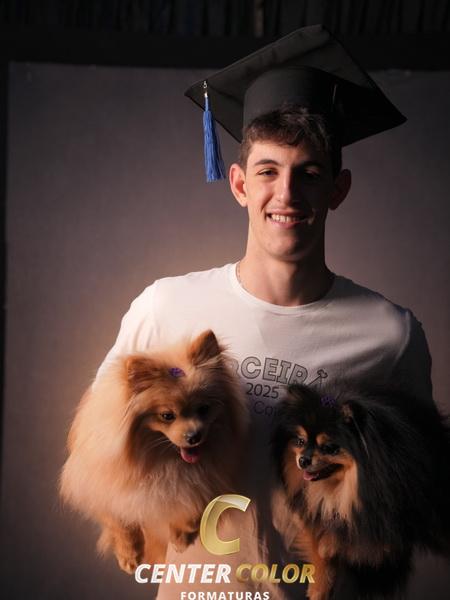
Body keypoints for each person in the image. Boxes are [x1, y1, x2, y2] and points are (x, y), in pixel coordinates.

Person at [96, 25, 432, 599]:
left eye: (310, 174)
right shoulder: (166, 306)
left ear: (338, 189)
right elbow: (103, 449)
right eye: (268, 171)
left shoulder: (389, 335)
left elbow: (411, 496)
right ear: (239, 184)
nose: (287, 194)